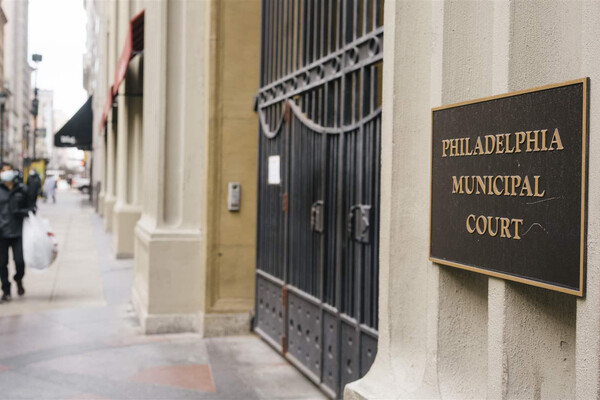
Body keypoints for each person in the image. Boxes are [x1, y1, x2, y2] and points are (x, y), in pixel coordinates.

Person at [0, 163, 32, 301]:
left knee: (19, 261)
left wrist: (22, 212)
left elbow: (32, 207)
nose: (6, 173)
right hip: (1, 233)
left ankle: (18, 279)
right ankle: (6, 290)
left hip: (18, 232)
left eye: (9, 170)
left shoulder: (22, 189)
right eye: (3, 171)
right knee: (1, 264)